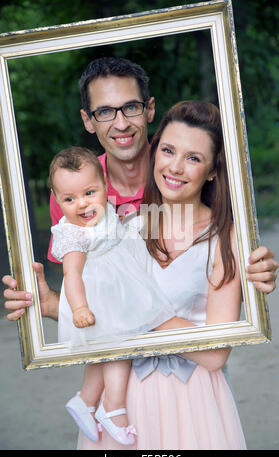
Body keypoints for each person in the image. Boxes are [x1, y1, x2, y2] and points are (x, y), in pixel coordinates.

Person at [2, 57, 278, 322]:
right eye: (105, 112)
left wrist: (251, 275)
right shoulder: (71, 196)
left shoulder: (183, 179)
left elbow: (215, 287)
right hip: (115, 358)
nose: (121, 124)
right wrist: (50, 303)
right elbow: (93, 296)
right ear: (88, 120)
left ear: (150, 109)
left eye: (131, 107)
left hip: (189, 354)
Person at [77, 100, 250, 449]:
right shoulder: (125, 228)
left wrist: (138, 304)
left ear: (213, 170)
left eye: (193, 157)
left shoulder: (226, 237)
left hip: (192, 402)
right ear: (155, 153)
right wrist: (44, 302)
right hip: (122, 402)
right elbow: (98, 316)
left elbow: (215, 353)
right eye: (168, 150)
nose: (175, 166)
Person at [49, 146, 174, 445]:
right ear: (57, 201)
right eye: (69, 199)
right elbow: (72, 275)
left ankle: (86, 400)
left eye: (89, 192)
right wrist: (79, 308)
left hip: (117, 288)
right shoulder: (73, 234)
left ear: (105, 187)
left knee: (102, 354)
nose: (82, 204)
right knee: (119, 349)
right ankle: (113, 409)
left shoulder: (106, 213)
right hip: (95, 298)